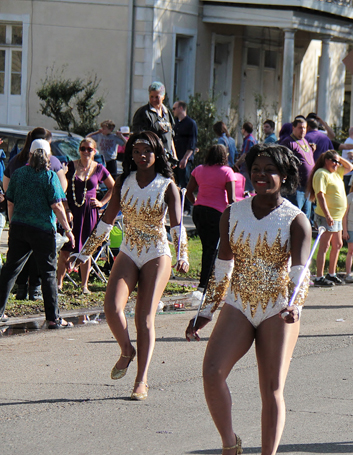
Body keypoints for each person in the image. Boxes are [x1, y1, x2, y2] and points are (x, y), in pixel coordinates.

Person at [185, 143, 312, 455]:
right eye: (256, 168)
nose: (260, 175)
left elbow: (302, 271)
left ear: (283, 176)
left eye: (269, 169)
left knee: (271, 388)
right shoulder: (232, 212)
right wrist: (206, 312)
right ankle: (229, 441)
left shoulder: (296, 219)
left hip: (277, 308)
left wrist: (294, 305)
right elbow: (223, 265)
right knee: (212, 372)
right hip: (239, 303)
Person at [70, 131, 189, 400]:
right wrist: (84, 253)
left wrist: (183, 255)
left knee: (144, 317)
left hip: (156, 252)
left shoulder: (167, 185)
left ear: (157, 153)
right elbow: (106, 221)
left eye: (146, 151)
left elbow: (177, 226)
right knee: (111, 308)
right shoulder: (124, 181)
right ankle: (127, 350)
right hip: (129, 248)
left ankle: (141, 380)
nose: (140, 156)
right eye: (136, 151)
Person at [0, 139, 74, 328]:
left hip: (19, 227)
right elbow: (57, 205)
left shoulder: (18, 174)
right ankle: (53, 318)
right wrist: (67, 229)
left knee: (10, 270)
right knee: (48, 272)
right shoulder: (49, 176)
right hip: (42, 230)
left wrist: (13, 221)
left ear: (30, 154)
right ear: (48, 156)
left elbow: (10, 202)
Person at [56, 137, 115, 293]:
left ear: (95, 151)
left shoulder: (99, 168)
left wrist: (102, 203)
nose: (86, 152)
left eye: (89, 149)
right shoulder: (70, 166)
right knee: (66, 248)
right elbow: (61, 189)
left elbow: (113, 187)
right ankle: (59, 284)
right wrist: (66, 208)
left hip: (89, 212)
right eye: (83, 148)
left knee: (87, 249)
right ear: (79, 150)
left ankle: (84, 285)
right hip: (71, 212)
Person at [187, 144, 237, 292]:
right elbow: (232, 198)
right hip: (217, 213)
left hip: (199, 211)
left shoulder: (199, 170)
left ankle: (207, 282)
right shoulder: (227, 172)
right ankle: (206, 284)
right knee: (214, 249)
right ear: (224, 156)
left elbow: (189, 192)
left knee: (207, 248)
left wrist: (196, 203)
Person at [309, 150, 353, 286]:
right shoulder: (321, 173)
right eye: (333, 161)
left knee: (338, 244)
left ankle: (332, 273)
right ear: (325, 160)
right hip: (326, 215)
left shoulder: (336, 172)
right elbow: (320, 195)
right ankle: (319, 277)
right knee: (325, 245)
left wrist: (338, 157)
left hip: (338, 216)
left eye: (337, 162)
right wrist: (327, 215)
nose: (336, 164)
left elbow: (350, 167)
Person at [131, 81, 177, 163]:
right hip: (151, 159)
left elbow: (170, 136)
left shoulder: (167, 113)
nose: (154, 100)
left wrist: (174, 154)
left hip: (166, 159)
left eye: (157, 97)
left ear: (163, 97)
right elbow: (139, 137)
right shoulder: (143, 113)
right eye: (151, 96)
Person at [280, 117, 315, 218]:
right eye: (300, 128)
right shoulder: (288, 142)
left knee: (306, 216)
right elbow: (283, 162)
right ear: (293, 128)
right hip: (296, 187)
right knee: (295, 215)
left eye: (304, 128)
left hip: (307, 187)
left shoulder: (305, 141)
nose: (303, 130)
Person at [171, 101, 198, 192]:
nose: (173, 110)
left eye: (174, 108)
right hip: (175, 158)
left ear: (181, 108)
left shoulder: (191, 123)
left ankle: (187, 205)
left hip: (184, 159)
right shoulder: (175, 123)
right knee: (174, 183)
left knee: (184, 185)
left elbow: (192, 143)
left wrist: (185, 158)